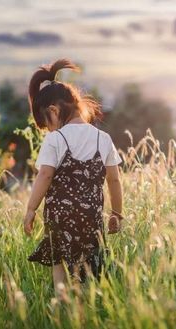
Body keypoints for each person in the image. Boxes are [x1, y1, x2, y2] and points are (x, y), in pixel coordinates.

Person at [23, 58, 124, 296]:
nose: (48, 130)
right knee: (87, 266)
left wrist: (31, 209)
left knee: (59, 263)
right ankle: (84, 305)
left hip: (59, 217)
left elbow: (45, 175)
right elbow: (114, 180)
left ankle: (62, 303)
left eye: (46, 123)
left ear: (54, 112)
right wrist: (117, 213)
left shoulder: (55, 139)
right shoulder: (103, 138)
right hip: (91, 216)